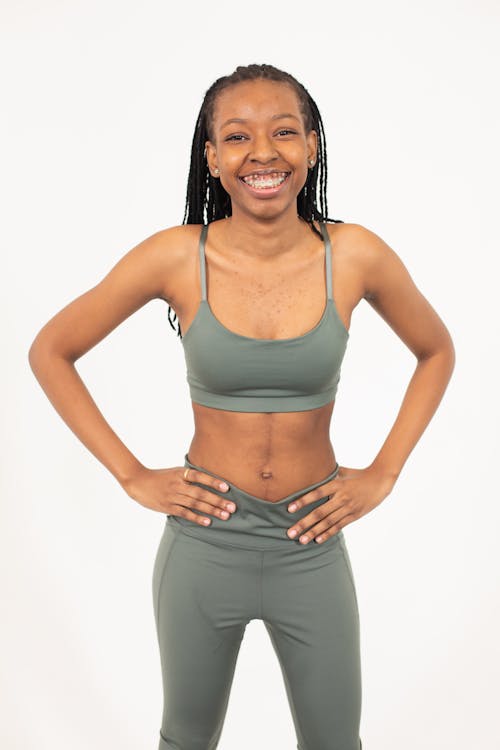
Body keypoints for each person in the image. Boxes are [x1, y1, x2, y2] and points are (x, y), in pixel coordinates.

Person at [28, 63, 455, 750]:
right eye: (238, 136)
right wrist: (133, 475)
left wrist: (384, 472)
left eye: (284, 131)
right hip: (205, 542)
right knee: (186, 738)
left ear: (312, 145)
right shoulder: (176, 256)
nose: (263, 153)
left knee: (335, 742)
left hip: (310, 542)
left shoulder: (354, 255)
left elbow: (437, 350)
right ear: (212, 157)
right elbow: (52, 349)